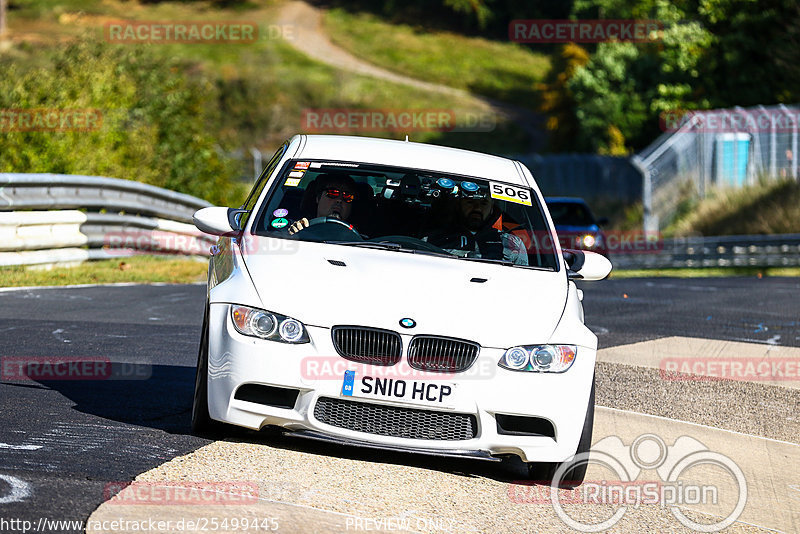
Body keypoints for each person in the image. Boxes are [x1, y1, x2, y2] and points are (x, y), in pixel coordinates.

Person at [425, 192, 529, 265]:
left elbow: (522, 279)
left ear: (492, 207)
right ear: (458, 204)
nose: (477, 208)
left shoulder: (512, 244)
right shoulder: (432, 239)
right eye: (470, 202)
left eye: (484, 203)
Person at [288, 173, 359, 235]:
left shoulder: (362, 242)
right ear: (318, 198)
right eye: (332, 193)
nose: (339, 200)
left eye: (347, 196)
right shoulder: (297, 227)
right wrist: (293, 235)